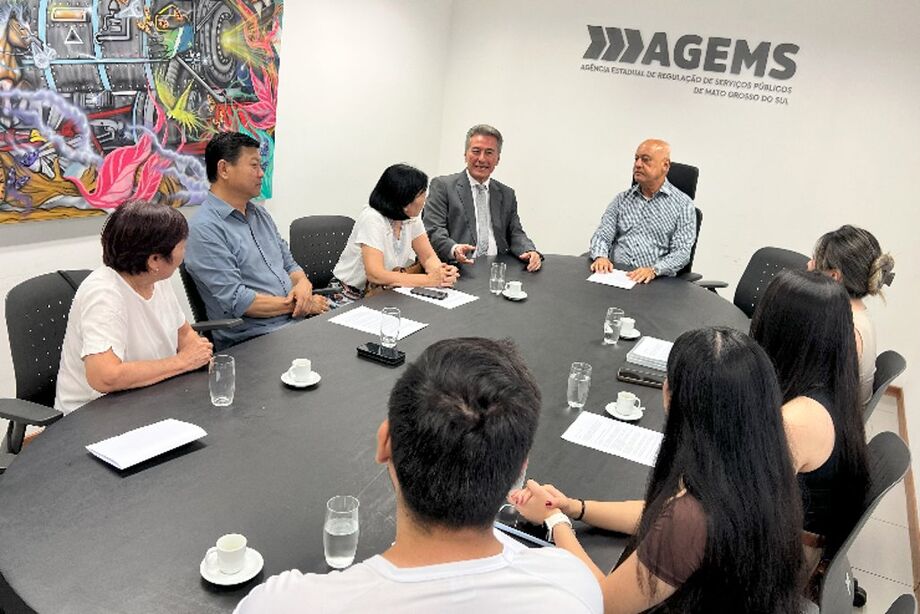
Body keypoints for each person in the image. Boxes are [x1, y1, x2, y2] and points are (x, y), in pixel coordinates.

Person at [234, 338, 602, 613]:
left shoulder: (281, 605)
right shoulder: (572, 587)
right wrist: (558, 520)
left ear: (385, 443)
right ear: (521, 467)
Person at [510, 328, 804, 613]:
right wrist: (576, 507)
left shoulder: (692, 517)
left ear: (671, 395)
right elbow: (658, 512)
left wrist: (555, 520)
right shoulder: (758, 470)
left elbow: (602, 602)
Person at [751, 269, 870, 569]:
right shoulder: (832, 385)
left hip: (782, 558)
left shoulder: (798, 419)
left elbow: (736, 507)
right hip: (787, 537)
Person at [55, 201, 213, 414]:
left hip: (150, 396)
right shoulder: (104, 294)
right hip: (96, 413)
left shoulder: (156, 278)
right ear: (155, 260)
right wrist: (183, 362)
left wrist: (199, 355)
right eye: (182, 246)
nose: (185, 251)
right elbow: (105, 377)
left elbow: (183, 333)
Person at [184, 132, 328, 350]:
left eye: (261, 166)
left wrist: (304, 286)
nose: (261, 173)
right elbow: (240, 301)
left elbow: (290, 265)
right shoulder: (205, 229)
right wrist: (301, 305)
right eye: (254, 166)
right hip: (254, 339)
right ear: (224, 169)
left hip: (295, 323)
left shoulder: (260, 214)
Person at [422, 124, 542, 272]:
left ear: (498, 159)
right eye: (476, 151)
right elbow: (433, 230)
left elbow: (515, 232)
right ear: (465, 155)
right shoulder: (442, 186)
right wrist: (454, 249)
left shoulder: (507, 193)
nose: (481, 159)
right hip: (457, 268)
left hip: (498, 267)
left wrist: (529, 250)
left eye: (489, 152)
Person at [332, 164, 458, 299]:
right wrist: (429, 280)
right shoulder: (372, 218)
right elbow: (375, 274)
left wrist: (441, 274)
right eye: (422, 194)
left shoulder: (411, 218)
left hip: (384, 292)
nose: (425, 199)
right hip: (348, 295)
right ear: (405, 200)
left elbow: (428, 257)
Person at [809, 225, 896, 405]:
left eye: (815, 261)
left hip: (838, 414)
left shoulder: (844, 329)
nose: (809, 265)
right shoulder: (856, 313)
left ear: (834, 276)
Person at [588, 140, 696, 284]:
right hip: (616, 276)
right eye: (636, 159)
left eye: (645, 160)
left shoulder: (683, 205)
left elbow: (681, 253)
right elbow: (602, 236)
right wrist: (601, 256)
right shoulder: (621, 199)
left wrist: (654, 270)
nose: (638, 164)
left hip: (653, 281)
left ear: (665, 166)